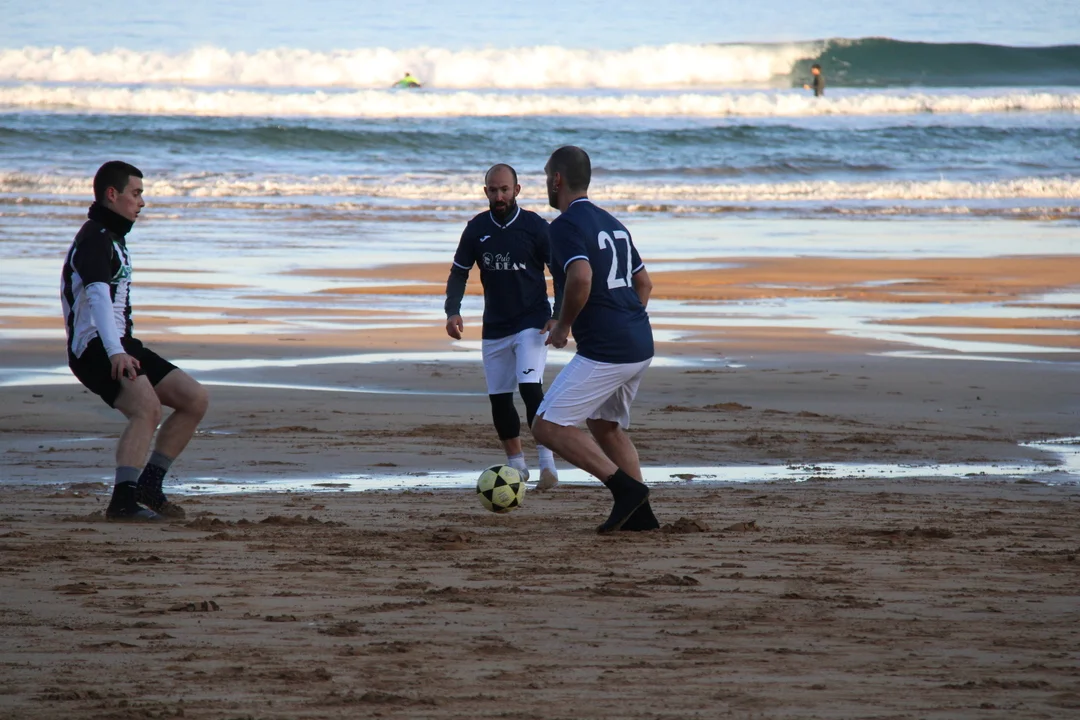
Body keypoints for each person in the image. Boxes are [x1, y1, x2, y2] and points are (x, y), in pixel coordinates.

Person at [62, 161, 210, 521]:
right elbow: (97, 296)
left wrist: (121, 346)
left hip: (121, 342)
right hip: (95, 347)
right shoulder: (95, 238)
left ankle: (149, 486)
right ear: (112, 195)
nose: (141, 202)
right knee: (147, 409)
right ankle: (123, 502)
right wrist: (115, 351)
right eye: (136, 193)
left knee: (194, 399)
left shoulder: (114, 237)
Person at [531, 146, 659, 533]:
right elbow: (644, 283)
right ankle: (641, 517)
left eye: (546, 177)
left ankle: (626, 491)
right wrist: (626, 321)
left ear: (557, 180)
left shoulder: (564, 226)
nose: (546, 183)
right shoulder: (613, 223)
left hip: (609, 349)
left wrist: (563, 326)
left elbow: (581, 277)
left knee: (546, 426)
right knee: (604, 425)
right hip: (639, 342)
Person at [444, 164, 561, 490]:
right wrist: (453, 311)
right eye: (493, 190)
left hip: (533, 322)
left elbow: (561, 272)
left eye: (505, 190)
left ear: (517, 190)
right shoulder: (476, 228)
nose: (499, 196)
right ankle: (517, 466)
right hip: (495, 324)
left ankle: (547, 464)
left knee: (530, 388)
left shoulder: (535, 227)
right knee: (499, 398)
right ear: (486, 192)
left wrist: (558, 314)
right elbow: (459, 272)